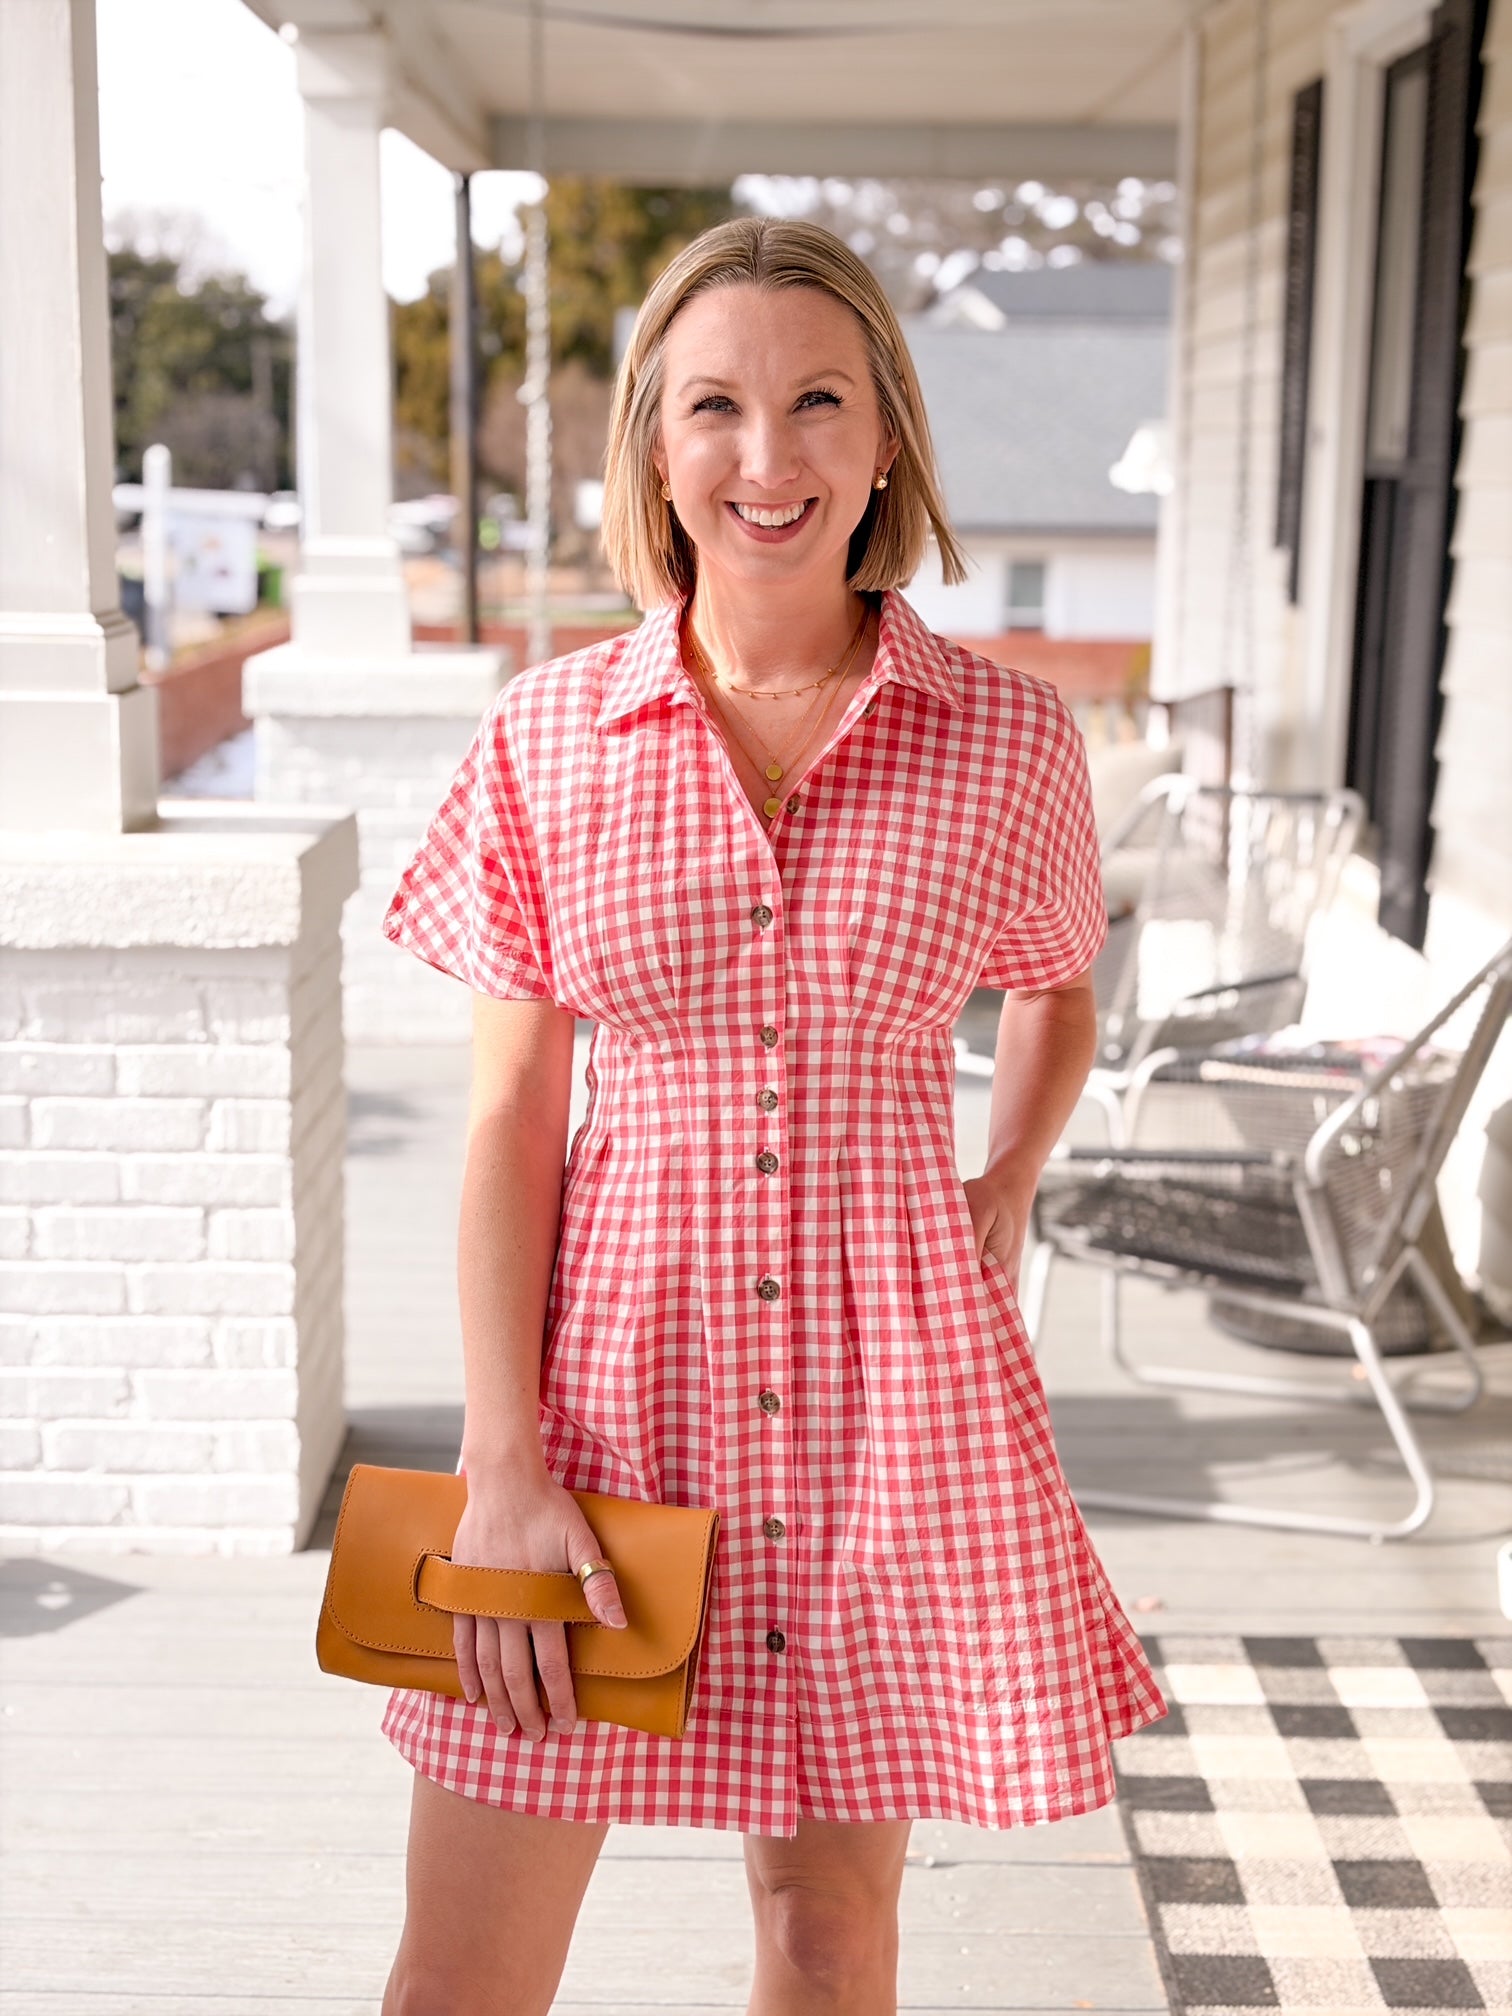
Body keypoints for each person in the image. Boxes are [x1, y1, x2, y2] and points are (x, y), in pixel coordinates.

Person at [376, 215, 1168, 2016]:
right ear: (653, 445)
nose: (768, 455)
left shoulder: (1009, 742)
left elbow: (1055, 984)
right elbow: (511, 1114)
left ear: (886, 435)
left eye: (819, 400)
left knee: (827, 1941)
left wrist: (1006, 1185)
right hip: (603, 1397)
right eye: (716, 406)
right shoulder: (550, 736)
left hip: (891, 1412)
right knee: (461, 1976)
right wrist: (502, 1464)